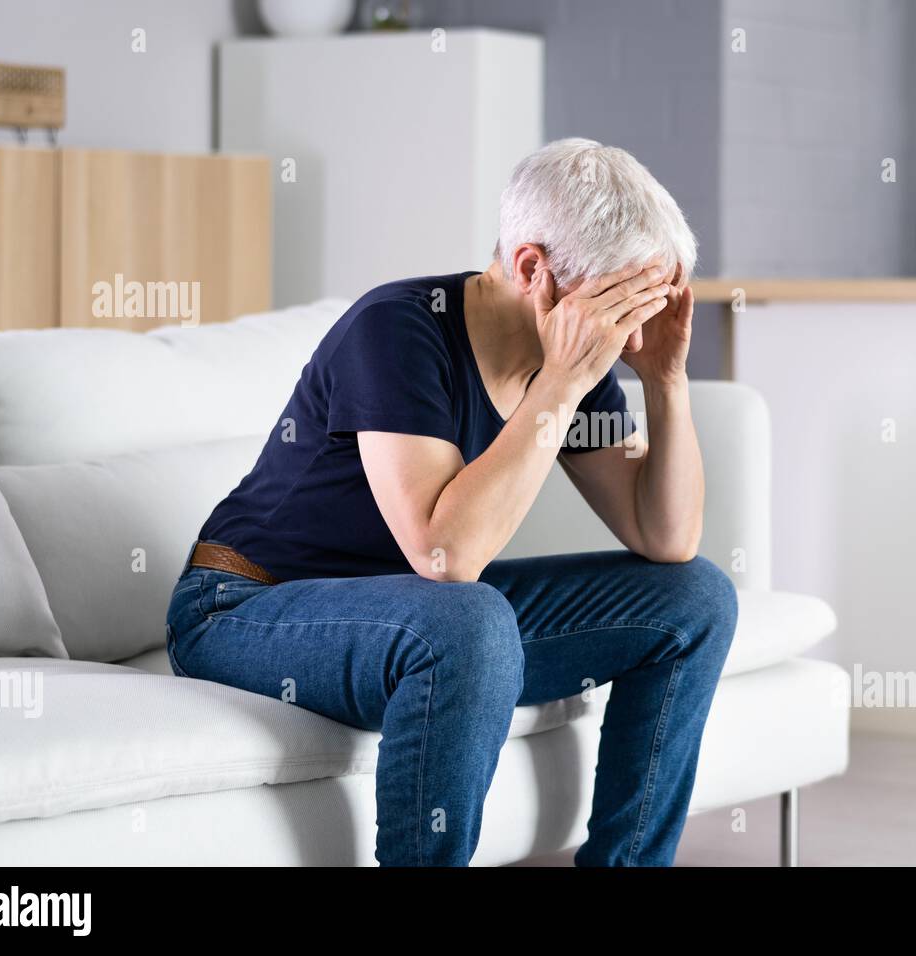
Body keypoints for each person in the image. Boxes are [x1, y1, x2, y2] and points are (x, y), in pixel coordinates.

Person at [165, 138, 738, 866]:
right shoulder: (399, 330)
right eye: (617, 303)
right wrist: (559, 387)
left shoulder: (575, 354)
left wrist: (665, 380)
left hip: (412, 614)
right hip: (244, 607)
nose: (625, 329)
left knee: (695, 598)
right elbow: (447, 555)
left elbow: (667, 538)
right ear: (533, 269)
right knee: (468, 619)